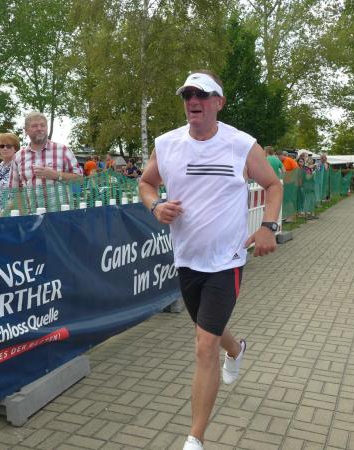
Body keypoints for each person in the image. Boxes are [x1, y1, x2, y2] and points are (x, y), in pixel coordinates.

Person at [138, 70, 282, 450]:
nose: (193, 101)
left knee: (203, 345)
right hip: (187, 260)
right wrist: (156, 206)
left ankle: (195, 438)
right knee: (210, 331)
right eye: (187, 95)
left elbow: (273, 185)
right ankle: (235, 349)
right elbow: (146, 183)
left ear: (219, 102)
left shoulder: (241, 144)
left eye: (201, 95)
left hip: (226, 261)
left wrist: (268, 226)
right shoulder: (167, 144)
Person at [8, 111, 83, 211]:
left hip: (61, 214)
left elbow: (80, 179)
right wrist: (22, 214)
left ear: (47, 128)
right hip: (32, 215)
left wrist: (56, 175)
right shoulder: (18, 156)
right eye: (34, 126)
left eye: (42, 125)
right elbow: (14, 190)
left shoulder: (63, 150)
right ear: (26, 130)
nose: (39, 128)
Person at [0, 133, 19, 214]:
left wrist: (5, 212)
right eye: (2, 146)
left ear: (15, 148)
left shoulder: (18, 165)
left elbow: (20, 194)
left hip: (14, 212)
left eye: (9, 146)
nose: (5, 148)